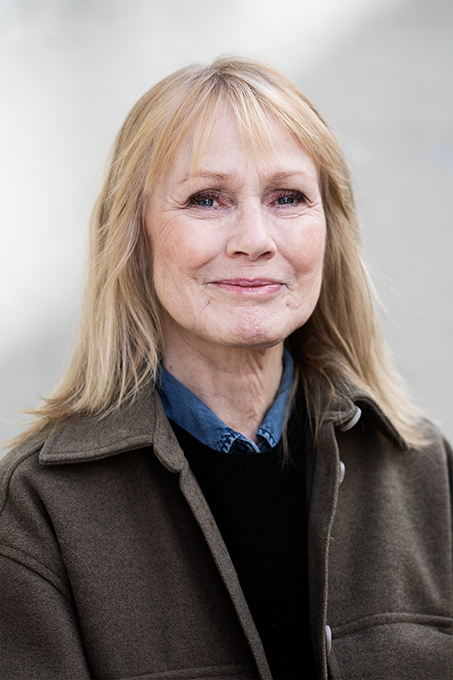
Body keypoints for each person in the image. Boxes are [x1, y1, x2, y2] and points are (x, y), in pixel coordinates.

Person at [0, 56, 451, 680]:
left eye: (288, 197)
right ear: (135, 235)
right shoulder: (36, 508)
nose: (255, 238)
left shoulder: (426, 471)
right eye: (206, 199)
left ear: (329, 231)